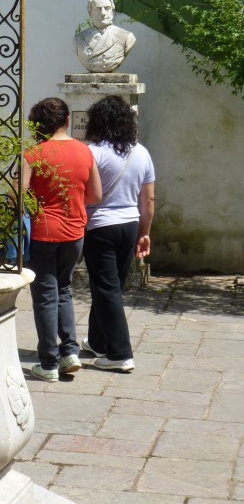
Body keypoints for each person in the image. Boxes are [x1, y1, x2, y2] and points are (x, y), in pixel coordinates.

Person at [23, 97, 102, 383]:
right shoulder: (85, 152)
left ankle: (48, 362)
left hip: (43, 232)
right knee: (64, 289)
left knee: (45, 295)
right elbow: (95, 195)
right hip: (75, 231)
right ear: (67, 120)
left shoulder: (33, 154)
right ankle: (70, 352)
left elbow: (16, 195)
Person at [82, 95, 155, 372]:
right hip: (130, 226)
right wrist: (144, 233)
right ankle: (99, 342)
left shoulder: (93, 152)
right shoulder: (142, 153)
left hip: (100, 226)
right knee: (110, 287)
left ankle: (120, 353)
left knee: (106, 287)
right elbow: (147, 201)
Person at [73, 0, 136, 73]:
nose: (103, 13)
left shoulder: (127, 37)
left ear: (112, 12)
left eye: (107, 8)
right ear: (90, 12)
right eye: (98, 9)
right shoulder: (78, 40)